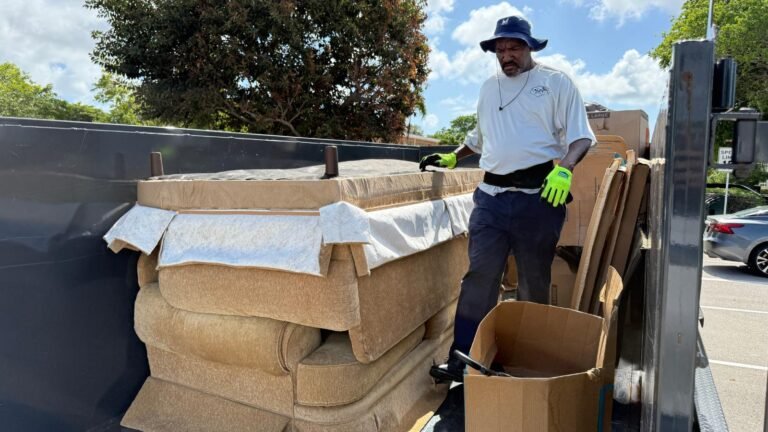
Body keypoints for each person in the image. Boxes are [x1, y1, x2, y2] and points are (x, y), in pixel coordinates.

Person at [420, 15, 596, 383]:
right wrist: (454, 156)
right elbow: (479, 136)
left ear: (530, 47)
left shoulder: (556, 83)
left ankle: (528, 364)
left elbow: (581, 137)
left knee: (533, 284)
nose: (507, 55)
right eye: (500, 49)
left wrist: (564, 169)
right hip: (491, 200)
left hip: (539, 198)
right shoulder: (488, 87)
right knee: (478, 279)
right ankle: (462, 360)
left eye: (514, 47)